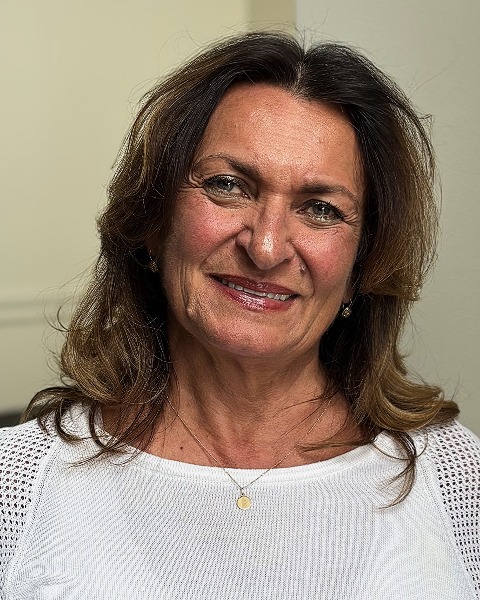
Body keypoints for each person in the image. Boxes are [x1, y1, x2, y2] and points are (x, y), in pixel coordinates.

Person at [0, 31, 479, 599]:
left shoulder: (455, 480)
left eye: (321, 209)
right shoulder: (19, 485)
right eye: (229, 186)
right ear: (154, 222)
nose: (267, 247)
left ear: (362, 264)